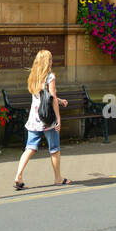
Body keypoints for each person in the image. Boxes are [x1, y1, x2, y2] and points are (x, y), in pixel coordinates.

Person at [13, 49, 71, 191]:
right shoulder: (50, 77)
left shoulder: (34, 76)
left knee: (30, 148)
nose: (52, 61)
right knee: (55, 149)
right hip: (47, 119)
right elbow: (51, 99)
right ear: (47, 62)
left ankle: (18, 176)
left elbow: (42, 96)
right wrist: (58, 119)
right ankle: (58, 178)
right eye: (50, 59)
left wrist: (60, 99)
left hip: (34, 117)